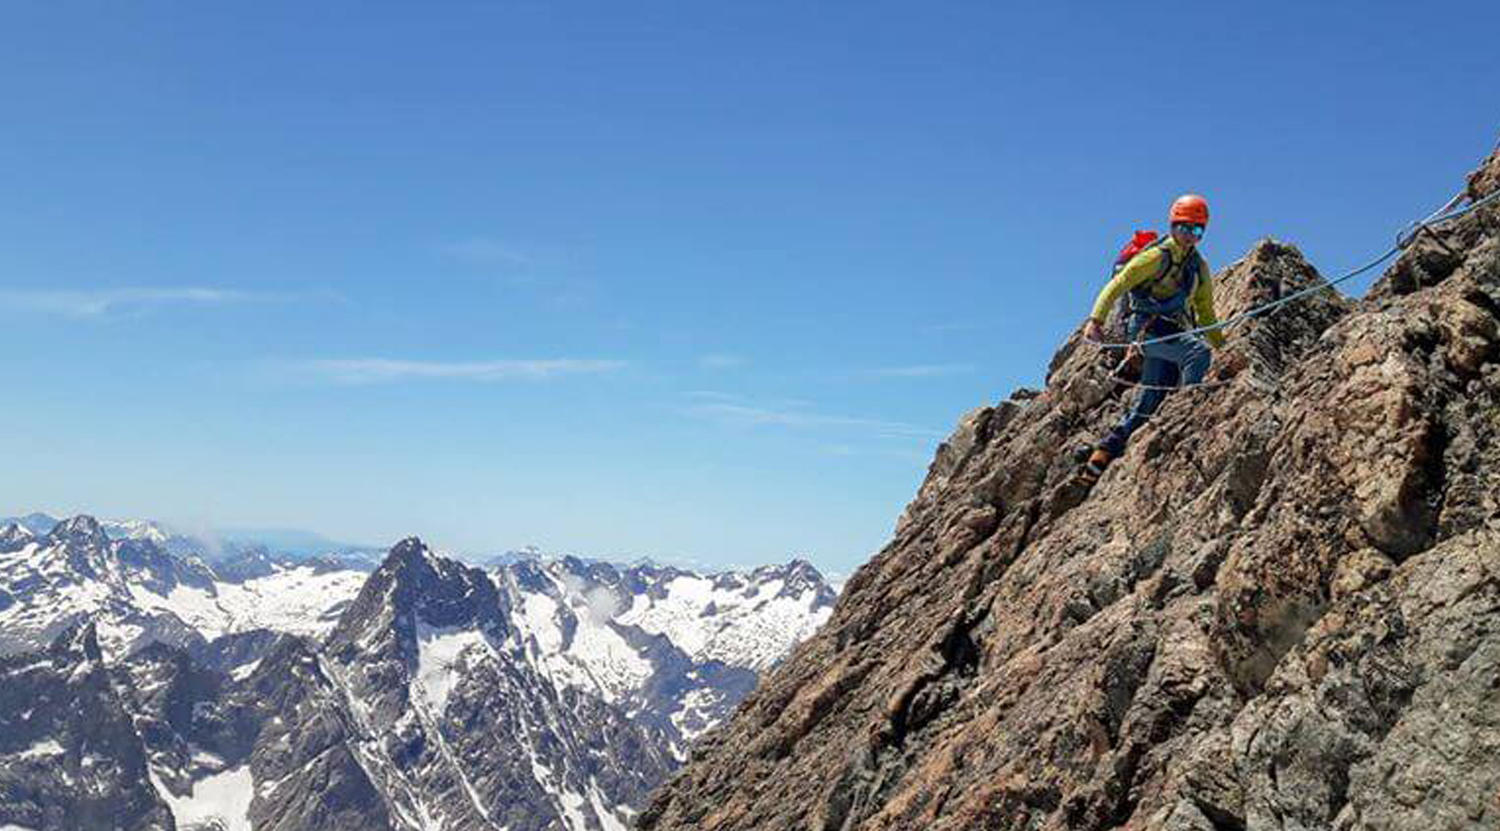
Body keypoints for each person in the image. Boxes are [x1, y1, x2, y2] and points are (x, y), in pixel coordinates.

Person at [1080, 194, 1227, 483]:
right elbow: (1118, 285)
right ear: (1173, 226)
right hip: (1146, 330)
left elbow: (1205, 311)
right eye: (1185, 228)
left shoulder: (1198, 266)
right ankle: (1190, 414)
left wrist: (1223, 346)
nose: (1190, 235)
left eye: (1197, 231)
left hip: (1170, 331)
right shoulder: (1155, 257)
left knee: (1150, 403)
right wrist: (1095, 320)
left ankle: (1100, 457)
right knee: (1197, 354)